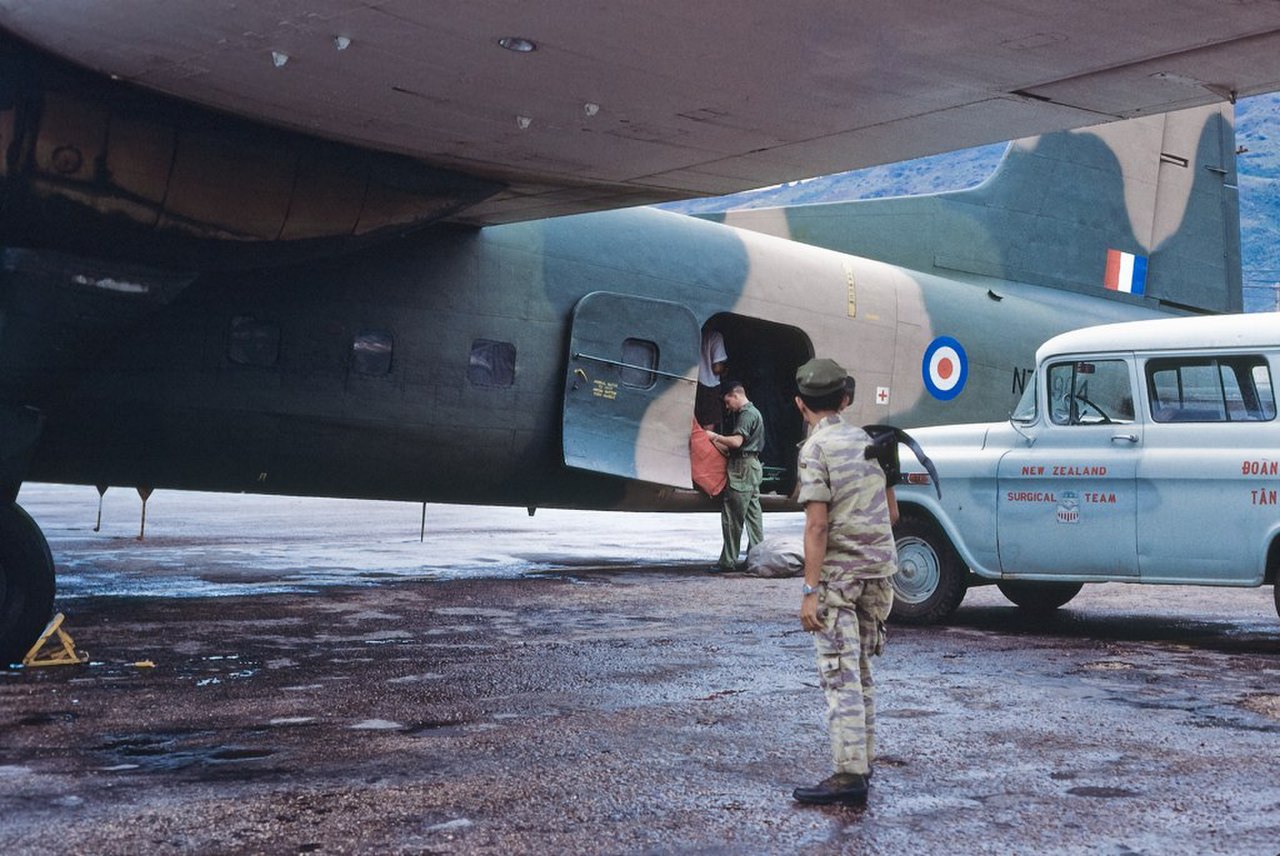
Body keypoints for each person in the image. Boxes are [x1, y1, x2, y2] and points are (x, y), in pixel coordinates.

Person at [790, 358, 898, 807]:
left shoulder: (816, 449)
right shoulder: (870, 441)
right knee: (863, 673)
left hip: (839, 579)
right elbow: (892, 515)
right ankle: (863, 763)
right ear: (846, 399)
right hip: (880, 575)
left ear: (800, 405)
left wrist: (810, 591)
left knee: (840, 676)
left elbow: (817, 526)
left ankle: (848, 775)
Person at [704, 381, 764, 571]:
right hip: (751, 466)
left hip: (742, 469)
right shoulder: (754, 413)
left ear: (735, 395)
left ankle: (728, 562)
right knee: (753, 517)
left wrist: (713, 436)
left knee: (732, 517)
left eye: (727, 401)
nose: (727, 406)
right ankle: (757, 558)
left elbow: (737, 442)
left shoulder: (747, 415)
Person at [695, 328, 729, 429]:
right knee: (708, 430)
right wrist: (725, 370)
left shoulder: (695, 332)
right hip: (708, 387)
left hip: (693, 383)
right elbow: (717, 368)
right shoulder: (715, 336)